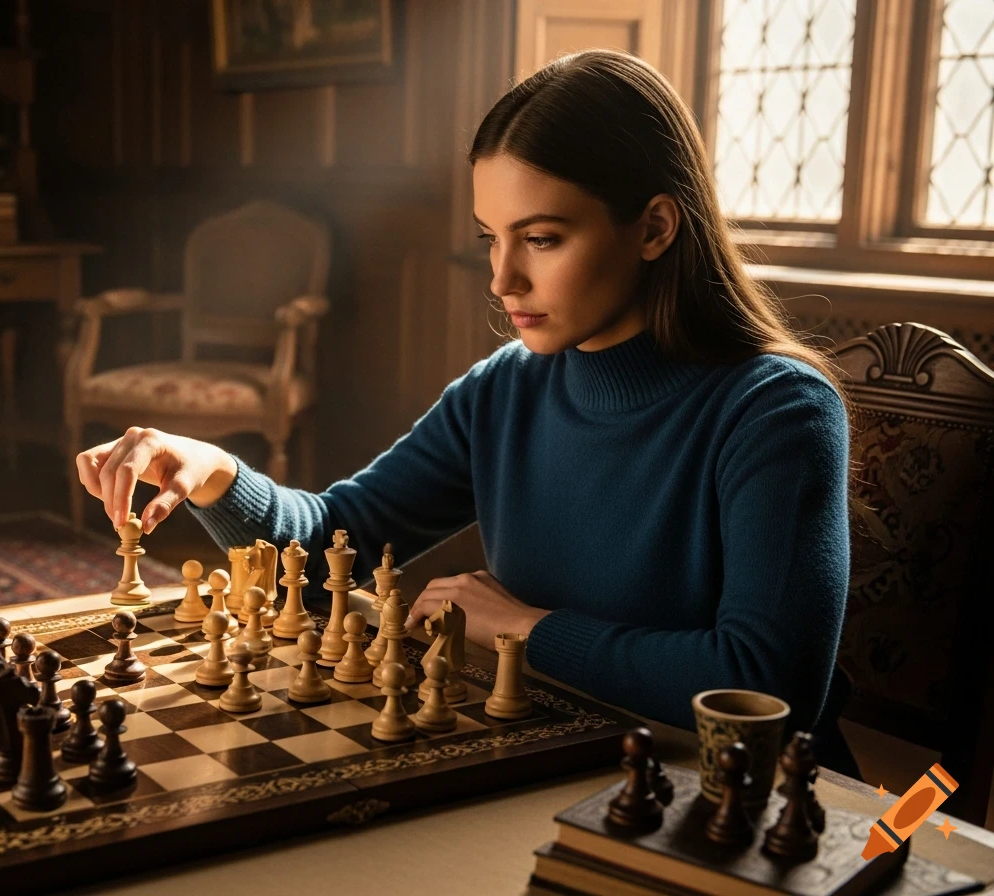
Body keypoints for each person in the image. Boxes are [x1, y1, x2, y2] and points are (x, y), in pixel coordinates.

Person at [76, 50, 859, 775]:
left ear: (654, 227)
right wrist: (213, 470)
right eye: (491, 238)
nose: (502, 279)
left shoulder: (776, 410)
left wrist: (527, 629)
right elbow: (330, 544)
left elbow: (766, 685)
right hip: (557, 757)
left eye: (542, 239)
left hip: (738, 796)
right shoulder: (504, 390)